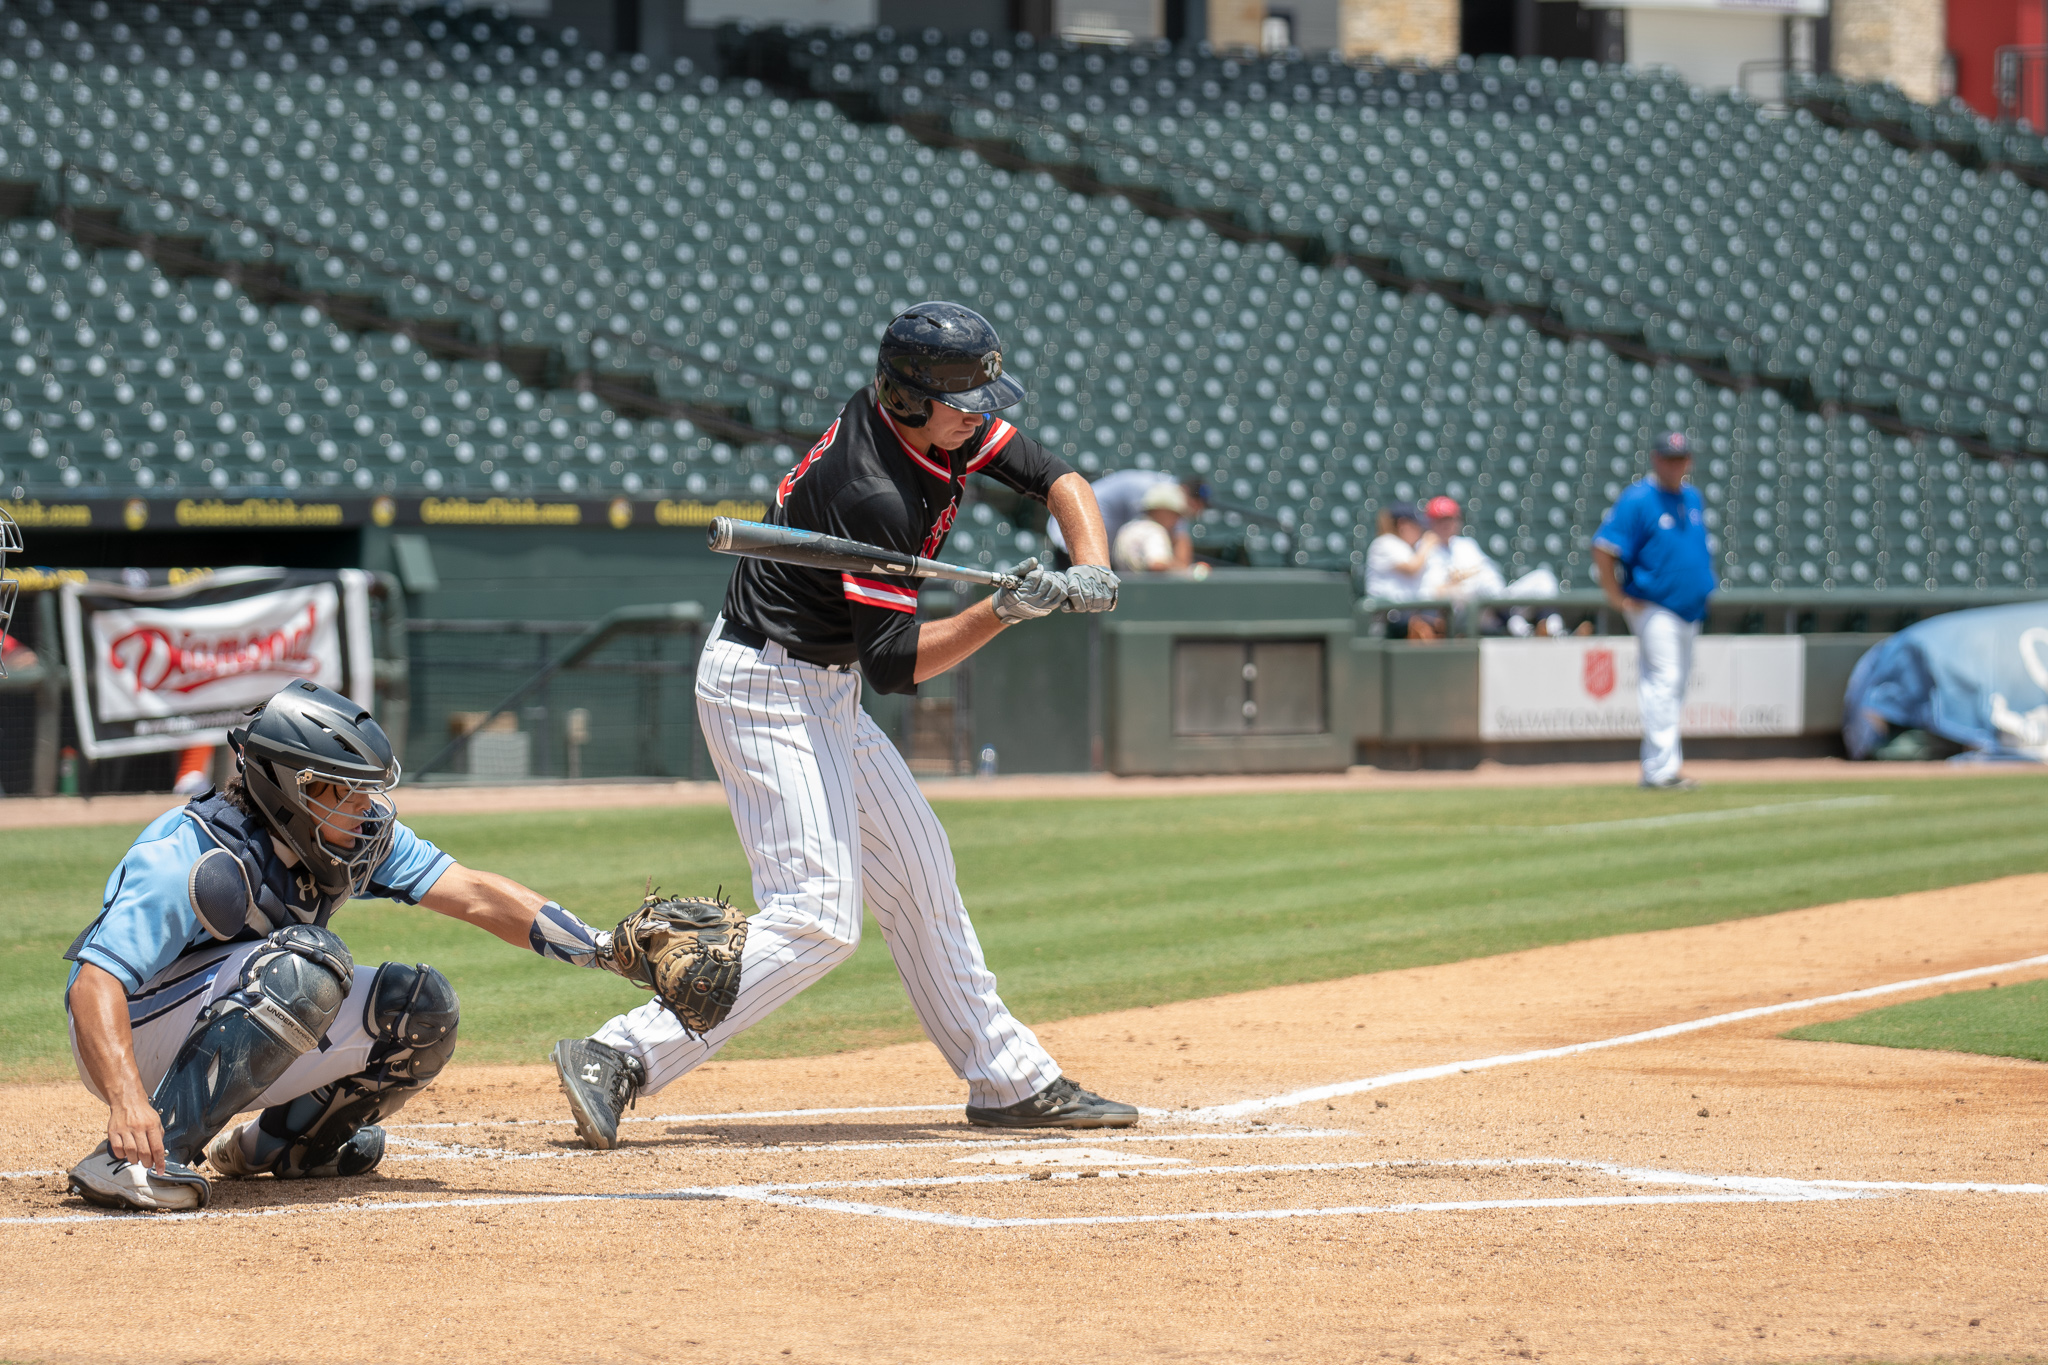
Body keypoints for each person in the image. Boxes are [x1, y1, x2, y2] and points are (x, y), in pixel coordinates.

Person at [551, 301, 1138, 1148]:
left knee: (920, 870)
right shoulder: (872, 492)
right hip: (765, 686)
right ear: (908, 399)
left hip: (823, 684)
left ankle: (1011, 1080)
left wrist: (1092, 564)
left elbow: (1056, 476)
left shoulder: (940, 426)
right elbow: (896, 664)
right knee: (820, 916)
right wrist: (1004, 610)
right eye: (963, 402)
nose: (978, 417)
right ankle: (619, 1052)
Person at [62, 680, 635, 1212]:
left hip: (221, 1004)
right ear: (294, 789)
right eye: (351, 792)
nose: (368, 808)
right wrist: (126, 1098)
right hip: (127, 1036)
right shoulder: (190, 854)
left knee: (419, 1011)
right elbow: (93, 985)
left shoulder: (342, 837)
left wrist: (606, 949)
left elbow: (475, 895)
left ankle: (283, 1146)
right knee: (307, 966)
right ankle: (133, 1158)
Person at [1592, 431, 1718, 790]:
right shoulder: (1638, 498)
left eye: (1681, 458)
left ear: (1689, 461)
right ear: (1655, 459)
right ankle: (1660, 770)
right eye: (1669, 458)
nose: (1675, 465)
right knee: (1663, 682)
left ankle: (1661, 766)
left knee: (1674, 685)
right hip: (1654, 606)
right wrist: (1616, 596)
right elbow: (1603, 547)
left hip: (1689, 608)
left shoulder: (1692, 497)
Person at [1048, 469, 1207, 568]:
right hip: (1070, 534)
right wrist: (1187, 572)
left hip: (1096, 551)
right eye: (1177, 514)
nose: (1179, 519)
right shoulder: (1152, 515)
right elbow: (1157, 563)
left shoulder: (1141, 521)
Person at [1364, 501, 1440, 640]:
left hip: (1408, 614)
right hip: (1387, 618)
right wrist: (1427, 544)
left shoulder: (1407, 547)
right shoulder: (1385, 542)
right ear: (1403, 525)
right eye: (1417, 527)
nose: (1420, 532)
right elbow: (1412, 568)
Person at [1418, 496, 1505, 604]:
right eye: (1440, 520)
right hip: (1444, 609)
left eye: (1450, 520)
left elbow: (1491, 577)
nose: (1446, 525)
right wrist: (1462, 580)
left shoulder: (1466, 544)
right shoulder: (1423, 547)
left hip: (1477, 604)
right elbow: (1427, 594)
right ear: (1430, 523)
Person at [1111, 480, 1190, 573]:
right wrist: (1184, 569)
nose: (1177, 520)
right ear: (1162, 511)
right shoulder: (1155, 531)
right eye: (1175, 514)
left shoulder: (1127, 528)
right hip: (1144, 582)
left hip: (1124, 581)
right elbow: (1157, 565)